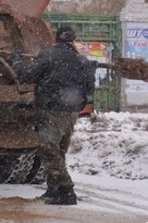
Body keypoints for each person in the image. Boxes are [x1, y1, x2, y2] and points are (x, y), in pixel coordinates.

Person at [10, 25, 95, 205]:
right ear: (73, 41)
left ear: (56, 40)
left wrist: (16, 62)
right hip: (72, 112)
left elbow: (26, 76)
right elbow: (90, 87)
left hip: (51, 110)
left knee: (49, 149)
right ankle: (53, 191)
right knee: (59, 150)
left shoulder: (48, 56)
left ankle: (66, 188)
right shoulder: (82, 61)